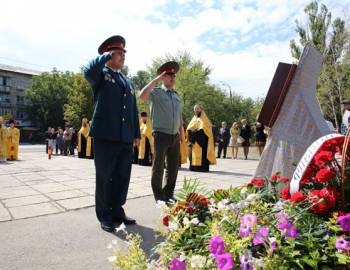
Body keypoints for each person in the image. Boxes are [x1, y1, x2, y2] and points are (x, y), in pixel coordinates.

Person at [83, 35, 140, 232]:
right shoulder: (101, 74)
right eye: (119, 52)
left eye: (124, 52)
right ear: (110, 54)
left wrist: (136, 134)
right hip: (105, 135)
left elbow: (133, 108)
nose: (123, 55)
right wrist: (104, 57)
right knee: (105, 176)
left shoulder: (127, 81)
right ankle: (104, 215)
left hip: (125, 137)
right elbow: (87, 70)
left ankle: (117, 211)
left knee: (122, 176)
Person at [139, 61, 183, 202]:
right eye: (169, 75)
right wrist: (155, 80)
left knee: (173, 168)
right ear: (163, 77)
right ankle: (159, 197)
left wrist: (181, 135)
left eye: (173, 75)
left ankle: (168, 194)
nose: (172, 78)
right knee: (158, 168)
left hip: (175, 136)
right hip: (161, 135)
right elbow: (142, 96)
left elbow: (179, 117)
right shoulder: (156, 93)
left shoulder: (177, 96)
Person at [187, 104, 216, 172]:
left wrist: (198, 130)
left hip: (202, 141)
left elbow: (207, 129)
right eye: (195, 109)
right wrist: (191, 131)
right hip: (194, 141)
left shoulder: (205, 118)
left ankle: (202, 168)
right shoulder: (194, 118)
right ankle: (194, 168)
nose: (196, 110)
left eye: (197, 108)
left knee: (202, 155)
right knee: (193, 154)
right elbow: (189, 128)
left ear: (201, 109)